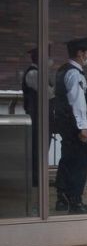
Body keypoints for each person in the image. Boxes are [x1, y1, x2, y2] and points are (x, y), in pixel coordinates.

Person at [50, 37, 87, 214]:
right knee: (79, 163)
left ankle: (62, 199)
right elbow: (78, 103)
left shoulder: (63, 70)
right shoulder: (75, 73)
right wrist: (83, 127)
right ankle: (76, 201)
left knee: (67, 160)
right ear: (79, 53)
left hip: (65, 124)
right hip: (76, 126)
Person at [19, 48, 40, 189]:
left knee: (38, 147)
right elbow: (48, 92)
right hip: (35, 115)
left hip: (37, 115)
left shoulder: (36, 72)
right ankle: (34, 178)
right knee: (35, 147)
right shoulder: (33, 73)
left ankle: (37, 177)